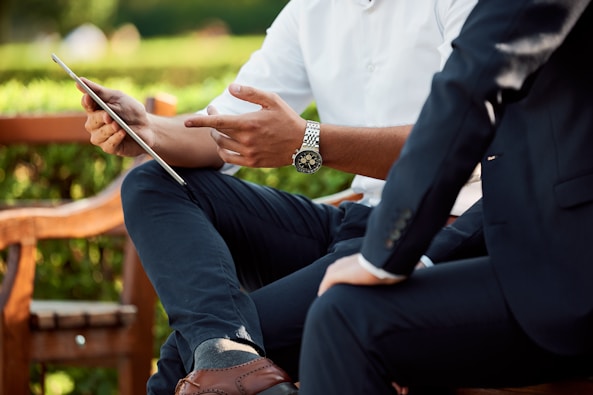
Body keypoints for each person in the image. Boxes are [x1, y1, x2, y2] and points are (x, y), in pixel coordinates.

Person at [80, 0, 480, 394]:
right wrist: (147, 130)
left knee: (181, 364)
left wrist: (308, 141)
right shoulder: (310, 10)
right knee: (153, 183)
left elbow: (454, 143)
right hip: (354, 222)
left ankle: (225, 355)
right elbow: (224, 128)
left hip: (437, 232)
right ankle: (227, 353)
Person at [297, 0, 593, 394]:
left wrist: (384, 255)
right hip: (537, 257)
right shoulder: (309, 12)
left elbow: (470, 85)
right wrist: (420, 255)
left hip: (570, 274)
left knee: (346, 318)